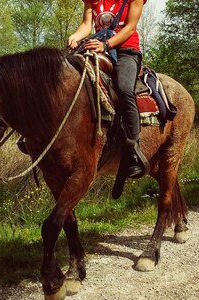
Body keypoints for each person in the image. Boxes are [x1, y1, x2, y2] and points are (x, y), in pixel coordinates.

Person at [67, 0, 149, 178]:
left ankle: (134, 151)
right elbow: (87, 25)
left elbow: (130, 28)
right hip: (98, 49)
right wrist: (76, 36)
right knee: (64, 76)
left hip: (126, 52)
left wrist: (106, 45)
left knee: (124, 88)